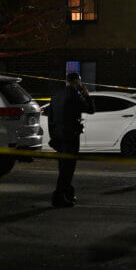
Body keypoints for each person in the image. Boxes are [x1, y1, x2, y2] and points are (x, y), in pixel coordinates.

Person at [48, 72, 95, 207]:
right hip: (70, 136)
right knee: (68, 168)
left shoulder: (56, 95)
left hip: (58, 136)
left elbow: (51, 118)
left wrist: (53, 137)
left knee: (62, 167)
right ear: (77, 82)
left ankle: (67, 192)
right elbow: (91, 109)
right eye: (80, 82)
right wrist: (86, 94)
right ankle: (58, 196)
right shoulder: (74, 96)